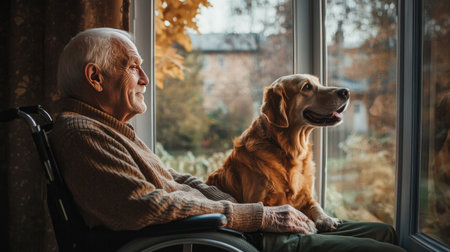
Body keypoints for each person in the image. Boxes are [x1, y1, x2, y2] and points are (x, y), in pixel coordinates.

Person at [50, 27, 405, 252]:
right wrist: (253, 216)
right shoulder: (82, 134)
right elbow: (149, 206)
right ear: (95, 77)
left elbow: (175, 180)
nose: (145, 77)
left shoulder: (108, 128)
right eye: (132, 66)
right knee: (389, 249)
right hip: (209, 239)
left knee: (385, 233)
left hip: (225, 226)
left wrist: (237, 205)